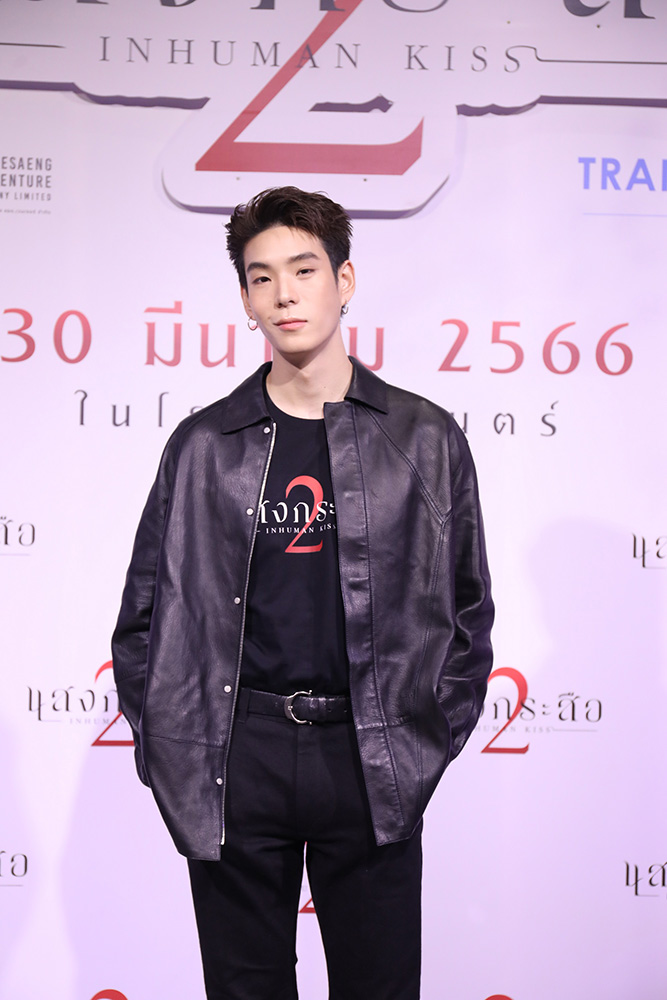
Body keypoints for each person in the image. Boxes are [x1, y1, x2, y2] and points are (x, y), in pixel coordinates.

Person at [112, 186, 494, 1000]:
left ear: (344, 280)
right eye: (261, 278)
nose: (283, 294)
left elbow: (468, 610)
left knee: (378, 987)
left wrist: (425, 739)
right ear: (245, 299)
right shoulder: (203, 445)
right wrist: (168, 750)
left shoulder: (422, 436)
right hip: (236, 756)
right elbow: (142, 619)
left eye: (303, 269)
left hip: (371, 754)